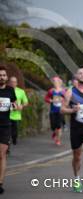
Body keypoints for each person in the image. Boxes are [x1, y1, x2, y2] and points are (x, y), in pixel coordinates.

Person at [0, 65, 17, 194]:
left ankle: (0, 183)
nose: (2, 77)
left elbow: (15, 104)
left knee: (2, 154)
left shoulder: (10, 90)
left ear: (6, 77)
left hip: (5, 126)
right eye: (0, 75)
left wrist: (14, 105)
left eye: (4, 75)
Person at [44, 76, 65, 146]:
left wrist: (63, 100)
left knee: (59, 126)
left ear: (59, 82)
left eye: (56, 81)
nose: (55, 83)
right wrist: (50, 100)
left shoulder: (63, 91)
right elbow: (46, 98)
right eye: (54, 82)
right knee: (53, 126)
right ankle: (55, 132)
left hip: (60, 111)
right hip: (53, 110)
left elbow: (67, 99)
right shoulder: (51, 91)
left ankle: (58, 140)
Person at [9, 76, 28, 145]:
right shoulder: (5, 90)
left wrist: (22, 106)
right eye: (11, 82)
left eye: (14, 82)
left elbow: (26, 102)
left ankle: (14, 138)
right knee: (6, 132)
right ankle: (7, 145)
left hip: (16, 115)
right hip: (6, 115)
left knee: (14, 132)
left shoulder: (21, 91)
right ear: (9, 83)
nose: (13, 83)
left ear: (16, 83)